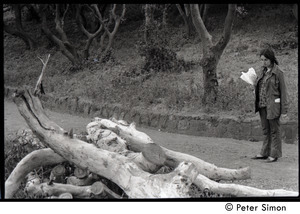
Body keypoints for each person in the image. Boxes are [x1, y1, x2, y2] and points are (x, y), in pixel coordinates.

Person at [251, 47, 288, 163]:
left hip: (273, 106)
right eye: (261, 60)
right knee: (266, 130)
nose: (263, 62)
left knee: (274, 131)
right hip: (262, 105)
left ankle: (274, 154)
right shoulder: (263, 72)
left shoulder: (278, 73)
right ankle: (264, 152)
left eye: (265, 60)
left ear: (271, 59)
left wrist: (284, 111)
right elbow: (261, 87)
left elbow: (284, 92)